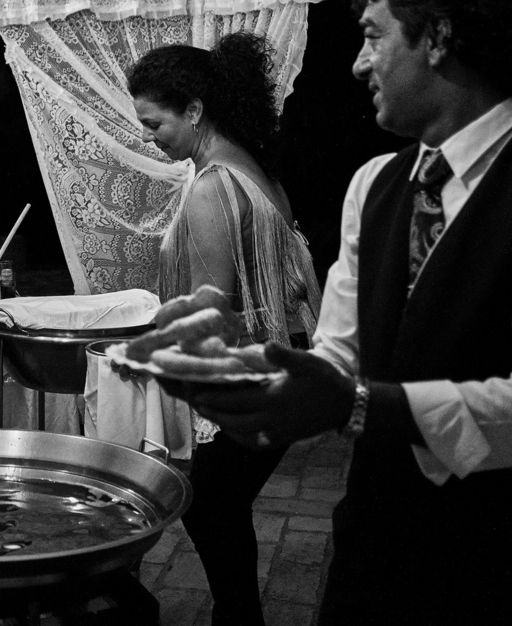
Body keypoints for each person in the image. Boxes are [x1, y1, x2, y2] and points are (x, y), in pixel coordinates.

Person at [135, 0, 512, 625]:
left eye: (374, 36)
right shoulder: (375, 184)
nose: (357, 63)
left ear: (437, 36)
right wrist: (247, 356)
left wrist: (352, 404)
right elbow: (342, 357)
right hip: (377, 547)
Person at [127, 32, 322, 626]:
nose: (148, 136)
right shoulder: (258, 169)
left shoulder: (213, 188)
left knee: (205, 504)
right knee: (219, 508)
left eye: (154, 122)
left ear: (194, 111)